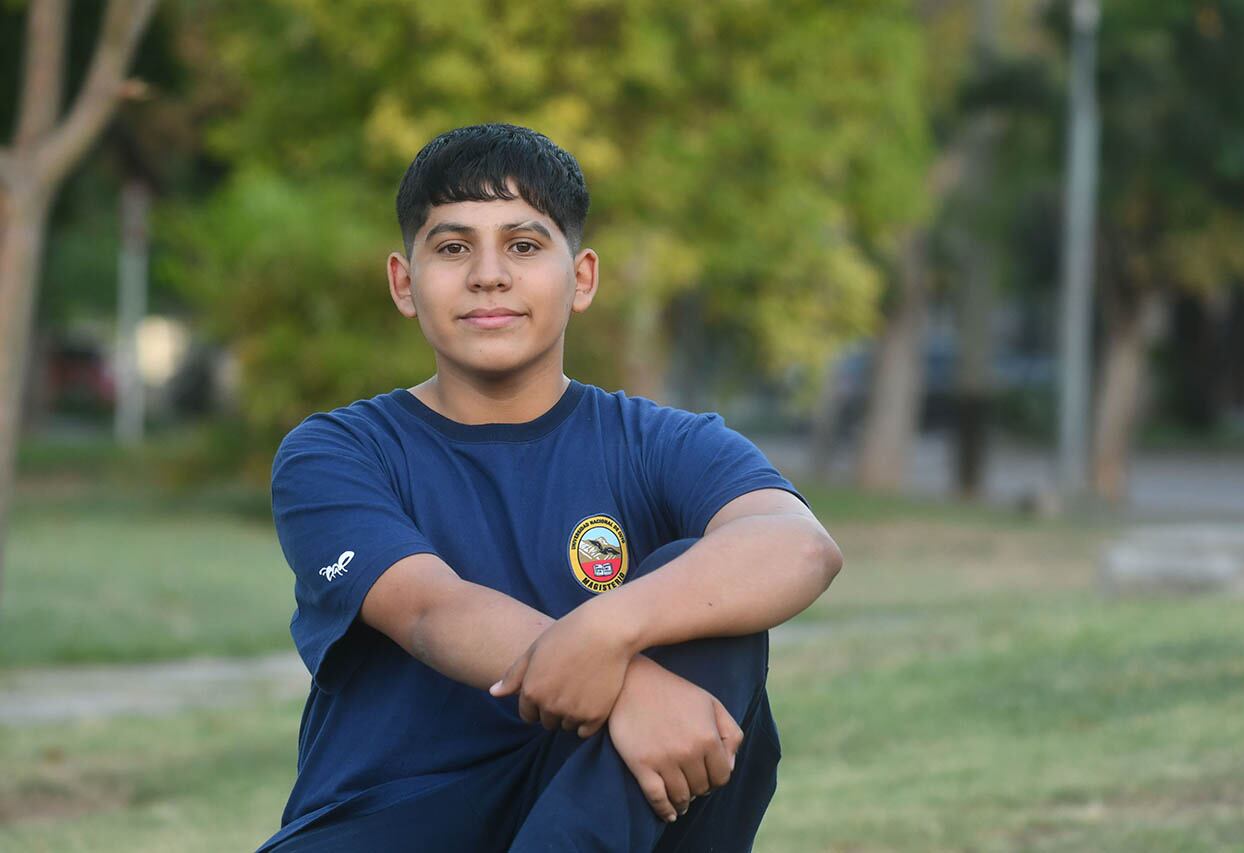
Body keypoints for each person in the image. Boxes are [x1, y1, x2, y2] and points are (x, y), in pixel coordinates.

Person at [258, 123, 843, 852]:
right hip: (396, 818)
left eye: (525, 245)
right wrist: (632, 685)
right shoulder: (339, 450)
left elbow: (799, 546)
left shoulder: (658, 442)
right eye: (452, 247)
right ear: (404, 283)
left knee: (711, 598)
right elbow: (431, 610)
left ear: (584, 277)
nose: (489, 275)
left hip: (598, 807)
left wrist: (613, 628)